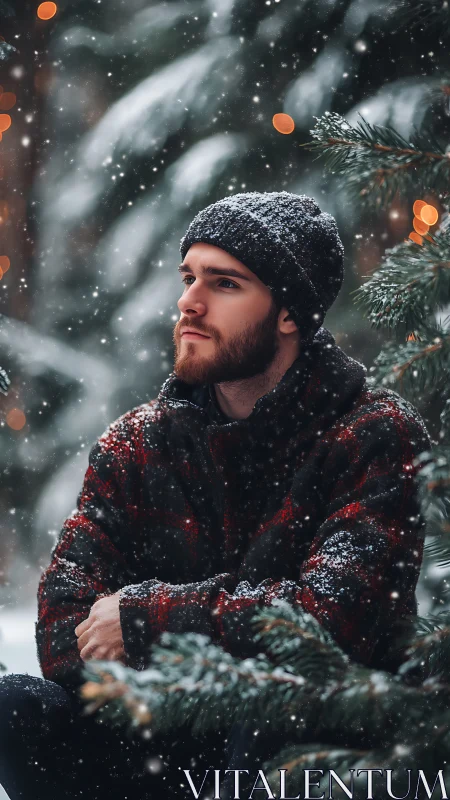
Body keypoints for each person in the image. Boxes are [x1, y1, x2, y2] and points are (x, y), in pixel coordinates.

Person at [0, 191, 431, 799]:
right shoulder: (138, 442)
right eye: (188, 277)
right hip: (162, 747)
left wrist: (145, 621)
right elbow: (62, 633)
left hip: (314, 757)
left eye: (223, 284)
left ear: (289, 313)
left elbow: (329, 626)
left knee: (271, 718)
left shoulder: (372, 434)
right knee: (17, 707)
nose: (188, 303)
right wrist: (207, 648)